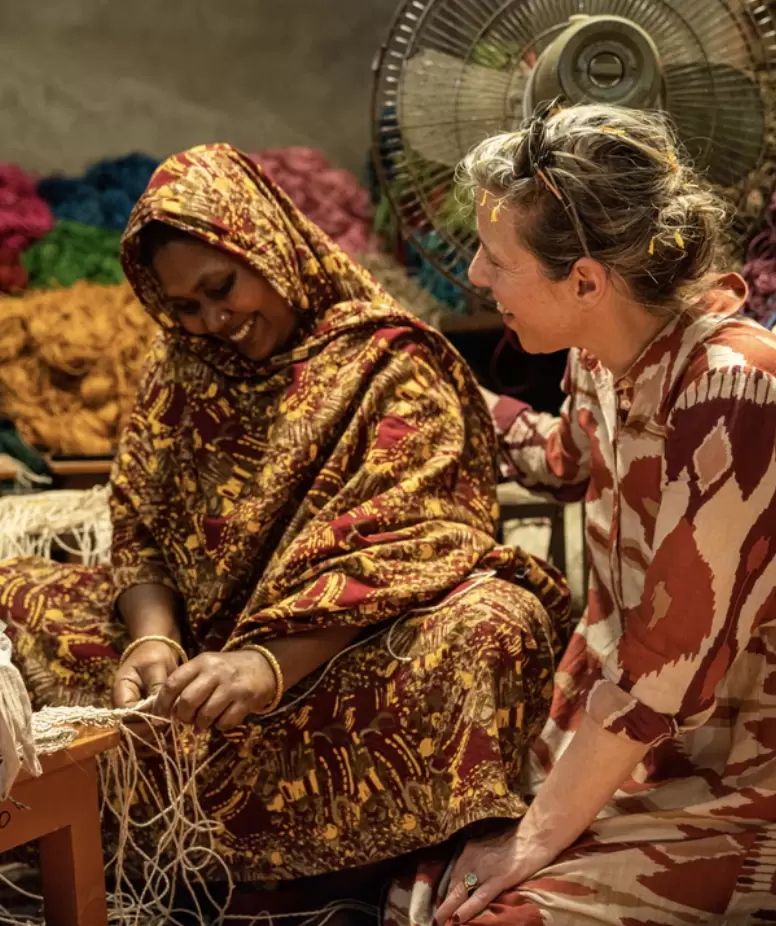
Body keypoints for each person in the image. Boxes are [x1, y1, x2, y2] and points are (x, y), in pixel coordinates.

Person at [0, 143, 571, 899]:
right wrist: (153, 638)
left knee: (492, 624)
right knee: (14, 598)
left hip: (345, 661)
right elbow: (139, 527)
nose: (214, 319)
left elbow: (419, 543)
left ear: (265, 244)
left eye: (222, 287)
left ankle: (385, 850)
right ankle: (116, 833)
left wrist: (268, 666)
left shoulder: (386, 362)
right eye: (185, 307)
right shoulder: (182, 369)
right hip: (201, 663)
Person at [385, 105, 776, 925]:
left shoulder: (735, 389)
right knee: (418, 887)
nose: (477, 280)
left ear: (587, 282)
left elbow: (664, 662)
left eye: (496, 260)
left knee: (488, 915)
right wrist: (413, 379)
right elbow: (564, 458)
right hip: (615, 735)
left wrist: (534, 837)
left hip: (736, 771)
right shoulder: (603, 354)